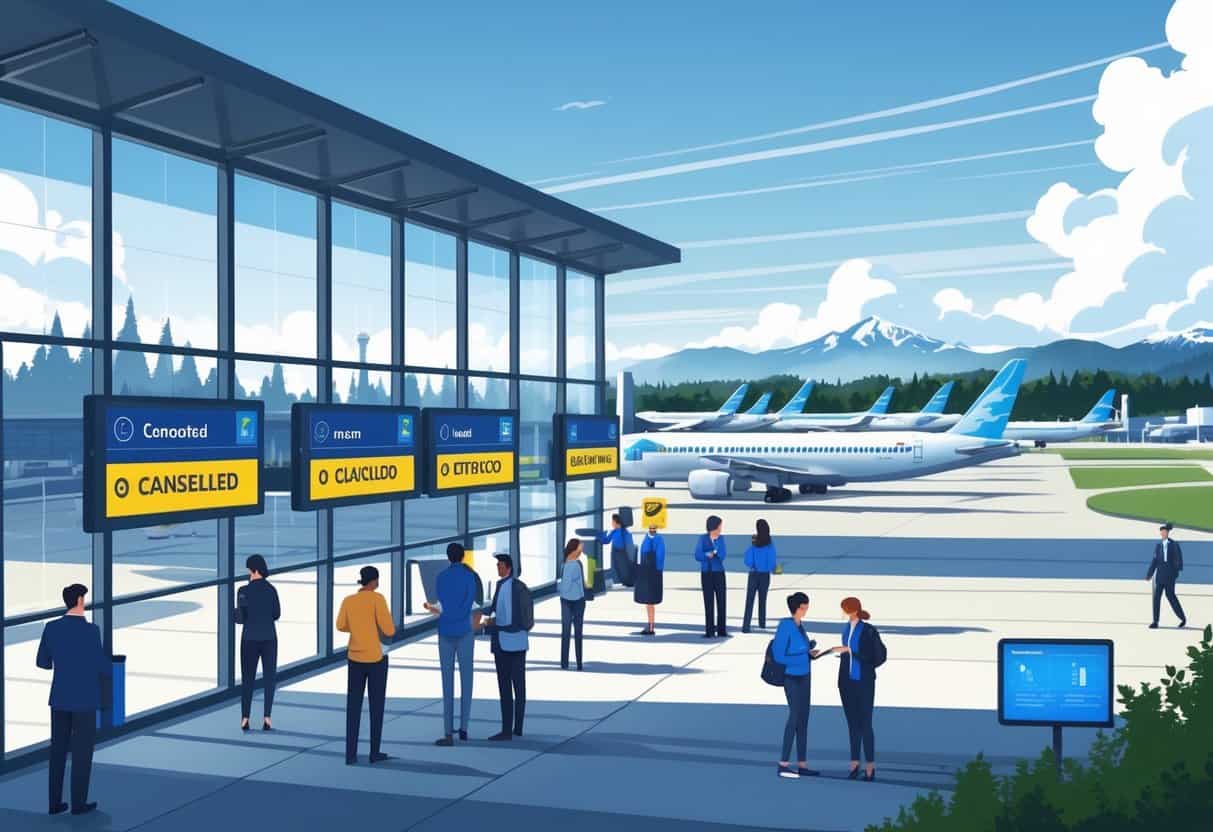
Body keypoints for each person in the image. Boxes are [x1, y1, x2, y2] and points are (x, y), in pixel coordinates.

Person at [35, 583, 110, 816]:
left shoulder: (51, 628)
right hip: (85, 699)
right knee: (82, 753)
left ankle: (54, 803)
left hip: (59, 698)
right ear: (79, 601)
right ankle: (78, 804)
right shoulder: (91, 631)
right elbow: (101, 666)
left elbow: (43, 662)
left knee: (57, 751)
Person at [336, 565, 395, 765]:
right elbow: (389, 629)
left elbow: (340, 625)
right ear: (375, 581)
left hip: (355, 657)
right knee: (376, 707)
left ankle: (350, 754)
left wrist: (357, 627)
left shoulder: (348, 601)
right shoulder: (378, 600)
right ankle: (374, 753)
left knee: (353, 707)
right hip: (376, 658)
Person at [424, 543, 479, 746]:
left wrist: (445, 614)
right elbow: (469, 603)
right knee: (467, 680)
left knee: (447, 683)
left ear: (448, 557)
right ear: (463, 557)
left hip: (445, 631)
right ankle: (464, 728)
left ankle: (448, 731)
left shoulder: (441, 577)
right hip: (464, 631)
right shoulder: (470, 577)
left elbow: (441, 603)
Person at [482, 553, 533, 740]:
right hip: (520, 642)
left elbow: (503, 618)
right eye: (497, 565)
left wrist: (488, 622)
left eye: (501, 565)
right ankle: (518, 727)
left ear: (508, 568)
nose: (498, 567)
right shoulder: (521, 587)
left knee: (505, 687)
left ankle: (506, 730)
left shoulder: (505, 587)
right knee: (520, 686)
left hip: (504, 643)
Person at [771, 591, 820, 779]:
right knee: (794, 717)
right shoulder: (786, 626)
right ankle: (783, 763)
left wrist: (809, 650)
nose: (806, 610)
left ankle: (802, 764)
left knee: (803, 719)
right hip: (792, 677)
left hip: (805, 675)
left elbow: (798, 648)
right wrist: (803, 656)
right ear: (797, 608)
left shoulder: (800, 626)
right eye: (804, 607)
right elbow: (779, 655)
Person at [835, 596, 885, 782]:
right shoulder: (846, 628)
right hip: (847, 681)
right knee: (852, 724)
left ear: (853, 610)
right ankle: (854, 764)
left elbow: (875, 656)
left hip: (863, 681)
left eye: (844, 609)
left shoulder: (868, 630)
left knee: (865, 724)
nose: (842, 612)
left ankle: (870, 766)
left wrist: (851, 652)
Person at [235, 554, 280, 732]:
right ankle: (267, 718)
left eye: (249, 570)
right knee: (269, 678)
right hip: (269, 638)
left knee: (248, 679)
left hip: (249, 639)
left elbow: (241, 619)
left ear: (254, 570)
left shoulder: (243, 591)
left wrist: (234, 613)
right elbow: (276, 614)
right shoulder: (271, 590)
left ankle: (245, 718)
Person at [693, 515, 728, 637]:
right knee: (708, 602)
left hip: (719, 573)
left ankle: (722, 630)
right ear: (714, 526)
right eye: (719, 526)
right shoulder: (703, 538)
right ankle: (709, 631)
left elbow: (722, 555)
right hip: (706, 573)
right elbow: (697, 555)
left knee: (721, 601)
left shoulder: (721, 539)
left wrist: (715, 551)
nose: (721, 529)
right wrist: (707, 555)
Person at [1147, 522, 1186, 629]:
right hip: (1160, 576)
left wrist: (1176, 573)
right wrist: (1149, 574)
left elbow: (1178, 559)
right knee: (1156, 598)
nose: (1163, 533)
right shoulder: (1158, 546)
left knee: (1170, 596)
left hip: (1170, 576)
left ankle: (1182, 618)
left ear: (1168, 533)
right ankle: (1155, 621)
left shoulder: (1174, 544)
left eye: (1165, 532)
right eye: (1162, 532)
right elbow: (1154, 561)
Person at [742, 519, 776, 633]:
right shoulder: (770, 544)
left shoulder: (754, 542)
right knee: (762, 600)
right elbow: (772, 561)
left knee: (749, 600)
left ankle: (746, 626)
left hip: (753, 574)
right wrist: (770, 568)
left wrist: (753, 565)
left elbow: (747, 559)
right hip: (764, 575)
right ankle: (762, 624)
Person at [558, 538, 587, 670]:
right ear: (574, 550)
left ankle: (564, 663)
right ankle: (579, 663)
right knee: (578, 632)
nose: (581, 550)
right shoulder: (575, 565)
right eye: (580, 548)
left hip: (566, 600)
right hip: (577, 601)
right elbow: (571, 584)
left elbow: (566, 585)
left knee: (566, 632)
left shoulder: (565, 564)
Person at [635, 523, 666, 635]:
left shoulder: (658, 539)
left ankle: (651, 626)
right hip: (647, 571)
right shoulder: (646, 538)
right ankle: (650, 625)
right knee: (648, 602)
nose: (652, 529)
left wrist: (657, 570)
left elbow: (660, 556)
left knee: (650, 601)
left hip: (653, 572)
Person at [602, 514, 633, 587]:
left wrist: (629, 555)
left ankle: (628, 582)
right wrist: (602, 535)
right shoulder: (613, 531)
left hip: (622, 553)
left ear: (617, 522)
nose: (612, 524)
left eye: (613, 522)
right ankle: (619, 582)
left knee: (623, 569)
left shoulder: (624, 532)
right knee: (615, 568)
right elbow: (606, 541)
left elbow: (629, 544)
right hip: (614, 552)